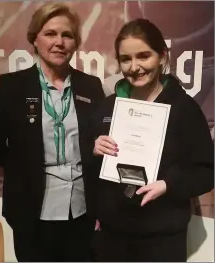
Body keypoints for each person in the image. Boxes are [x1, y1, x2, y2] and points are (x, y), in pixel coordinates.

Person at [91, 18, 214, 262]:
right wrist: (94, 150)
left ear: (161, 56)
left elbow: (206, 172)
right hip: (113, 237)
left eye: (143, 56)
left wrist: (168, 185)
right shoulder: (107, 107)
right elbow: (90, 169)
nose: (135, 66)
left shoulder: (184, 109)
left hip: (162, 239)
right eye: (126, 59)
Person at [0, 3, 105, 262]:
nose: (59, 42)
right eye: (50, 33)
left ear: (75, 42)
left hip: (81, 212)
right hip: (32, 213)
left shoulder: (91, 86)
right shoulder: (12, 87)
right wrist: (23, 167)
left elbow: (98, 144)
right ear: (35, 38)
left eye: (67, 35)